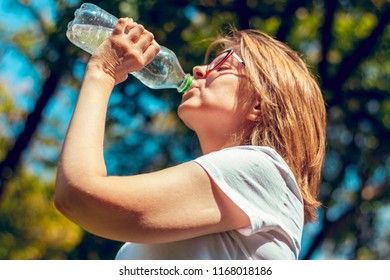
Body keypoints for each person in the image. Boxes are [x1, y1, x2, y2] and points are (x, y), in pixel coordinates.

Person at [54, 17, 326, 260]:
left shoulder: (263, 171)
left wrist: (102, 73)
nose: (198, 69)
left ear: (260, 105)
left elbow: (79, 196)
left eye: (223, 64)